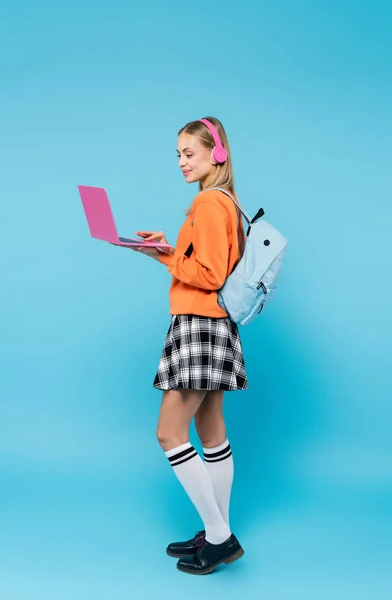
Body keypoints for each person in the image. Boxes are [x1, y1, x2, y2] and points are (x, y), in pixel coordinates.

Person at [128, 117, 248, 575]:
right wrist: (169, 250)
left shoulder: (210, 204)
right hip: (214, 326)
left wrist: (165, 256)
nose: (181, 162)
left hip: (200, 326)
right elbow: (208, 265)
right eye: (177, 154)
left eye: (189, 153)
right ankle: (214, 529)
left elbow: (212, 275)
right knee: (211, 431)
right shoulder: (222, 202)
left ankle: (220, 537)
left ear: (216, 154)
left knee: (169, 434)